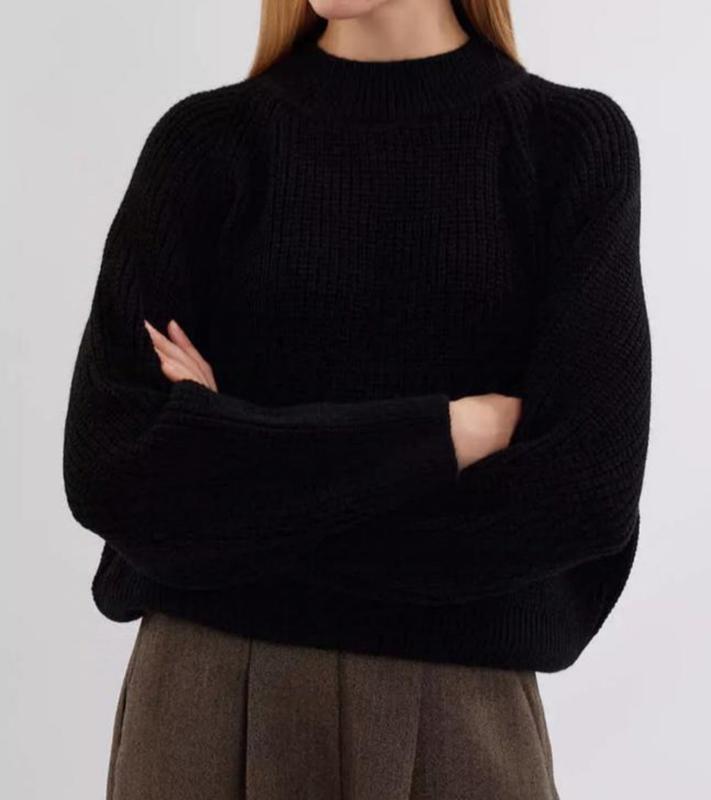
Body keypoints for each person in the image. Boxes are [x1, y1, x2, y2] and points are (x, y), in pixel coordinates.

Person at [62, 1, 651, 798]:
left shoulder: (565, 144)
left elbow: (584, 496)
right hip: (204, 701)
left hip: (456, 714)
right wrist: (442, 436)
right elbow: (113, 469)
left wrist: (232, 465)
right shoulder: (206, 144)